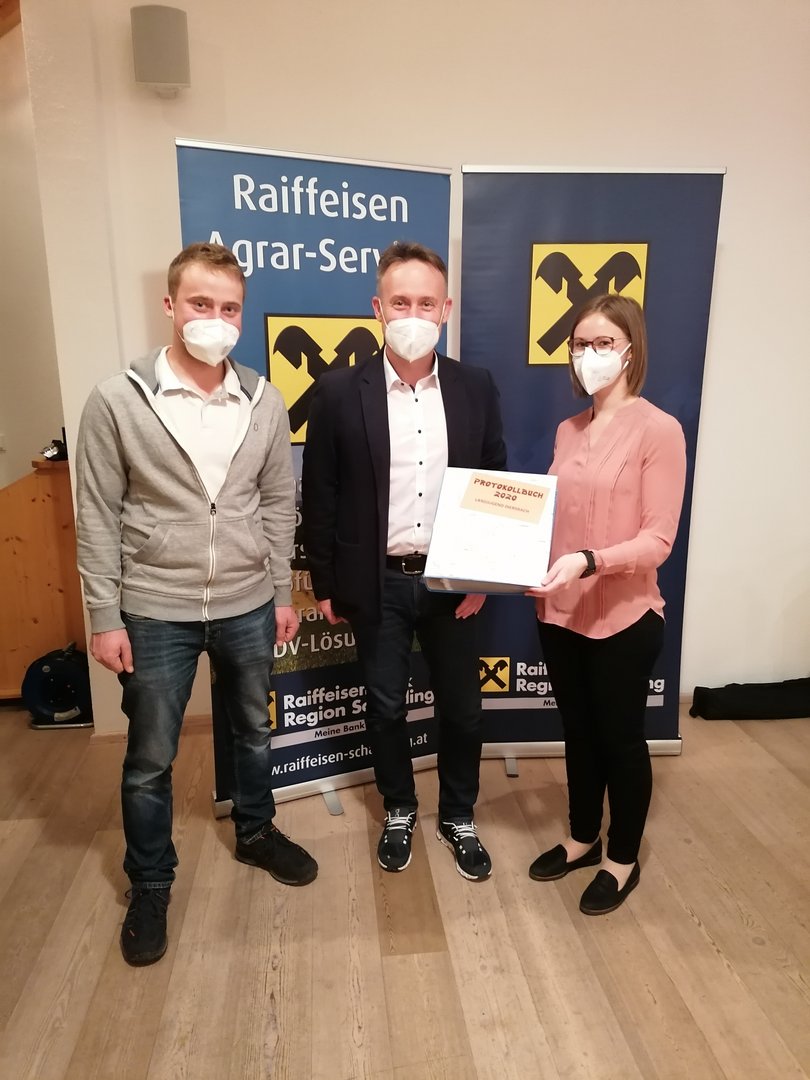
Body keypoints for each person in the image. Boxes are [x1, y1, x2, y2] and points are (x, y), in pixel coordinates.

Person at [76, 242, 317, 966]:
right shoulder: (118, 400)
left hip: (247, 602)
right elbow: (96, 514)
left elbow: (277, 503)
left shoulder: (263, 400)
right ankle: (151, 881)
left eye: (229, 307)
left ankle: (255, 831)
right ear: (171, 306)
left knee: (253, 731)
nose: (215, 318)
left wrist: (280, 592)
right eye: (201, 303)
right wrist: (104, 616)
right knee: (150, 757)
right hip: (155, 609)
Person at [301, 241, 506, 881]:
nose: (412, 314)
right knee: (385, 706)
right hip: (376, 582)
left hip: (453, 580)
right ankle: (399, 807)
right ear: (377, 308)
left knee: (463, 710)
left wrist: (484, 576)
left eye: (425, 302)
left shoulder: (476, 386)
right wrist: (325, 582)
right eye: (400, 302)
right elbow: (321, 492)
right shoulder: (338, 391)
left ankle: (459, 814)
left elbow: (493, 482)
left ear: (445, 309)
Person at [526, 293, 686, 915]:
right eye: (579, 344)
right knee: (577, 731)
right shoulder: (569, 431)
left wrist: (590, 561)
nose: (589, 354)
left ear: (630, 350)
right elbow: (552, 518)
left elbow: (658, 541)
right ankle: (581, 837)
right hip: (561, 611)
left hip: (624, 615)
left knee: (620, 739)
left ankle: (621, 859)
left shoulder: (659, 430)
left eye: (603, 343)